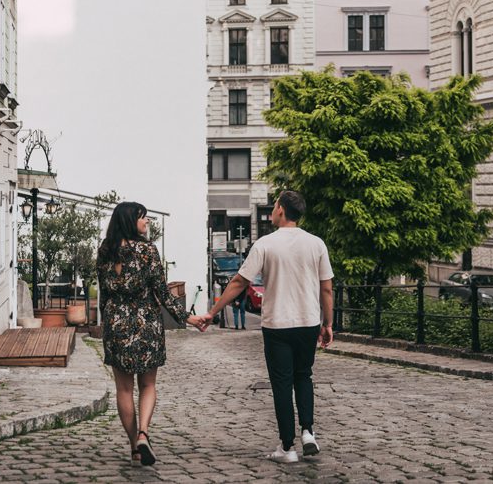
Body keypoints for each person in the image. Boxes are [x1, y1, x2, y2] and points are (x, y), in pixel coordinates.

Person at [203, 190, 334, 463]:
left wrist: (212, 312)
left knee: (282, 385)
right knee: (304, 376)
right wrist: (328, 323)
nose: (272, 211)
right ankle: (308, 431)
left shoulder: (265, 244)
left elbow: (240, 282)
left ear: (282, 211)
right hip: (308, 321)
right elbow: (327, 288)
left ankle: (287, 448)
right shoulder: (316, 244)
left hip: (278, 324)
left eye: (275, 207)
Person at [96, 201, 206, 466]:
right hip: (146, 324)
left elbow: (104, 293)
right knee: (147, 385)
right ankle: (144, 433)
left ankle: (134, 446)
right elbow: (162, 291)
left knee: (123, 389)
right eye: (143, 218)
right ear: (130, 220)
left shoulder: (105, 250)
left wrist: (107, 324)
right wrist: (187, 318)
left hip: (116, 324)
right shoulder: (147, 250)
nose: (147, 222)